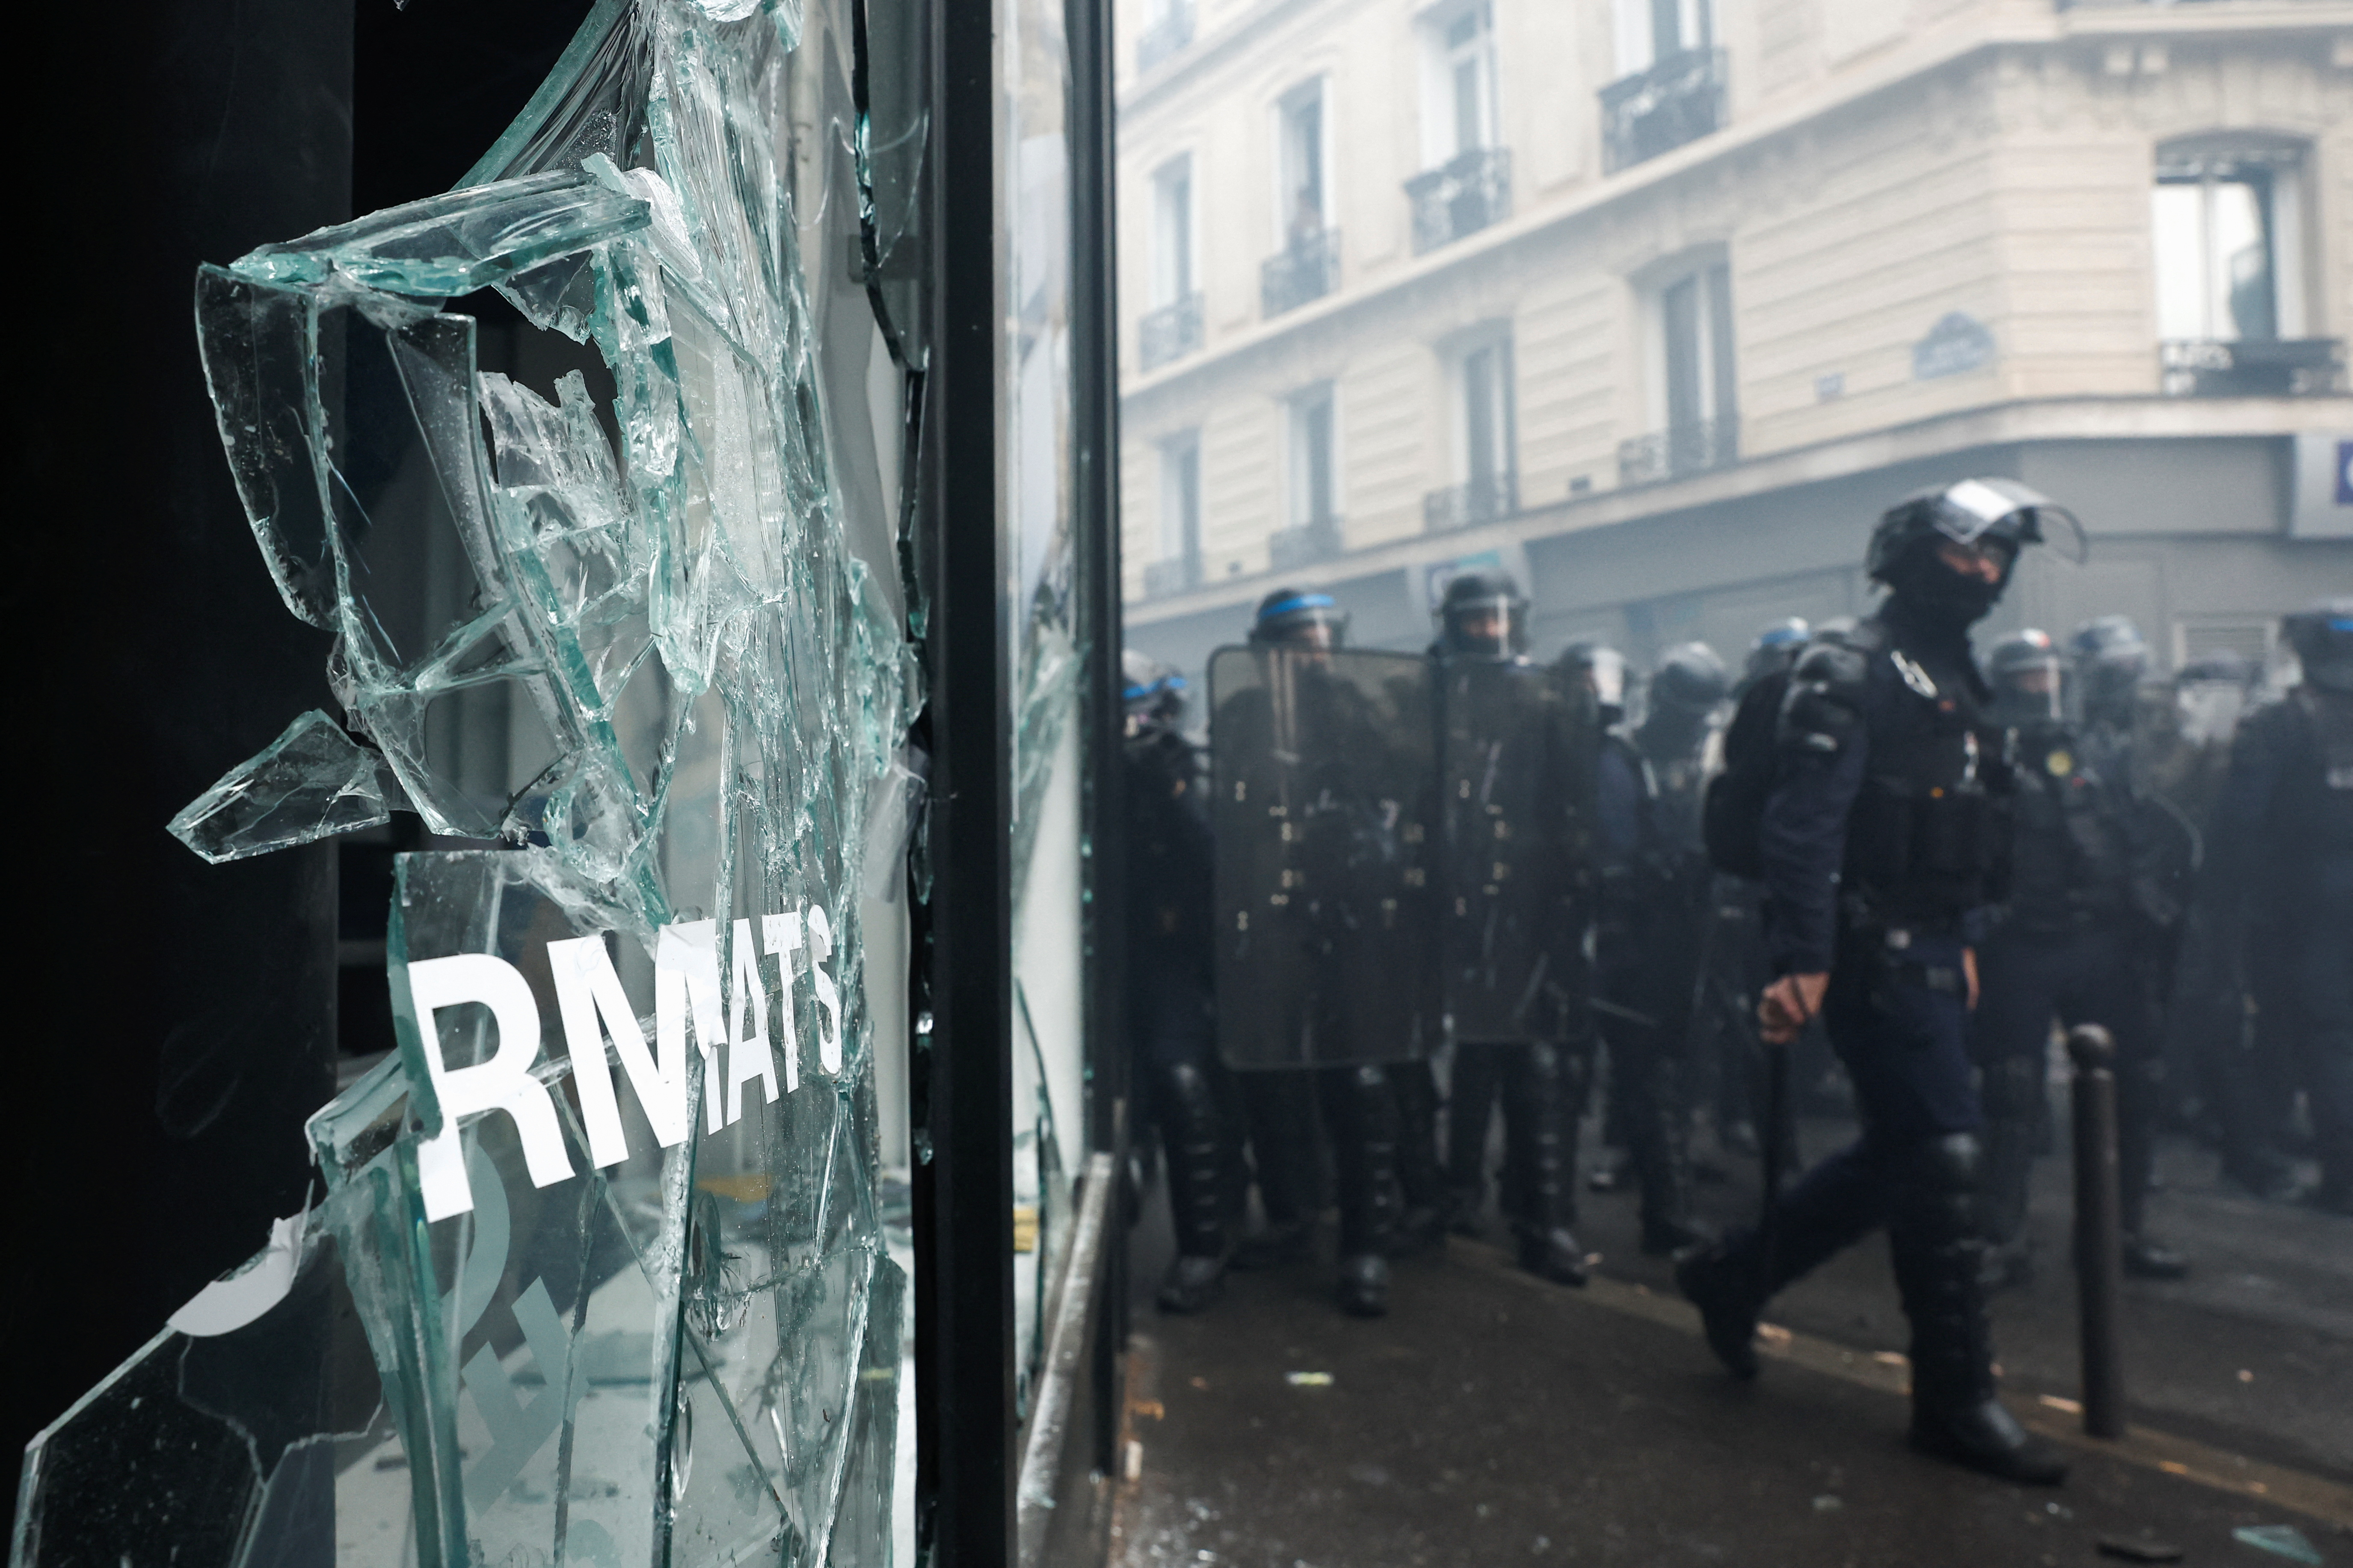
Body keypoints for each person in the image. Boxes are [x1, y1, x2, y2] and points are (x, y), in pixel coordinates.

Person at [1675, 477, 2081, 1485]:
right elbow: (1801, 828)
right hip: (1864, 951)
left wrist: (1970, 933)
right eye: (1964, 551)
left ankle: (1732, 1276)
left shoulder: (1951, 670)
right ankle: (1953, 1400)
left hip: (1937, 944)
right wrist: (1800, 959)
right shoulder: (1850, 666)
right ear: (1909, 553)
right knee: (1942, 1155)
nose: (1983, 571)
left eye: (1997, 556)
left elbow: (1973, 824)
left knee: (1905, 1149)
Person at [1211, 588, 1424, 1314]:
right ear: (1271, 647)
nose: (1318, 649)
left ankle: (1365, 1240)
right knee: (1270, 1077)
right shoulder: (1242, 718)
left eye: (1325, 635)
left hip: (1348, 924)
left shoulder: (1354, 713)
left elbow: (1393, 799)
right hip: (1270, 923)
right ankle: (1294, 1217)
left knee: (1357, 1080)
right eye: (1302, 638)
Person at [1970, 628, 2189, 1288]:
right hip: (2019, 945)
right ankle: (2001, 1237)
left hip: (2101, 941)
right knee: (2012, 1092)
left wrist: (2150, 915)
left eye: (2050, 675)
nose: (2043, 689)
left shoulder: (2098, 748)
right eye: (2030, 678)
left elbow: (2143, 831)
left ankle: (2118, 1232)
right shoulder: (1981, 757)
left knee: (2134, 1084)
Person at [1433, 572, 1596, 1284]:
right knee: (1472, 1057)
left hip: (1529, 904)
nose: (1489, 631)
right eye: (1475, 620)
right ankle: (1459, 1191)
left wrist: (1571, 880)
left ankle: (1545, 1218)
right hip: (1455, 899)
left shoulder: (1545, 696)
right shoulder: (1438, 698)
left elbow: (1575, 803)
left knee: (1534, 1062)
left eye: (1499, 618)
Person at [2203, 599, 2353, 1215]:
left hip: (2301, 902)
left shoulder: (2280, 723)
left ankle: (2343, 1180)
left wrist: (2217, 902)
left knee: (2323, 1038)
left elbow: (2238, 822)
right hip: (2317, 895)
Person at [1592, 642, 1728, 1253]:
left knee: (1673, 1070)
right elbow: (1612, 853)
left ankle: (1669, 1205)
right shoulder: (1622, 758)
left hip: (1689, 932)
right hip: (1633, 935)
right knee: (1648, 1074)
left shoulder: (1703, 755)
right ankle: (1666, 1211)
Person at [1120, 651, 1243, 1313]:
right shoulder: (1094, 774)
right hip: (1112, 955)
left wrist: (1173, 792)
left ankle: (1204, 1246)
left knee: (1180, 1079)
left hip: (1172, 960)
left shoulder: (1183, 774)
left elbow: (1215, 861)